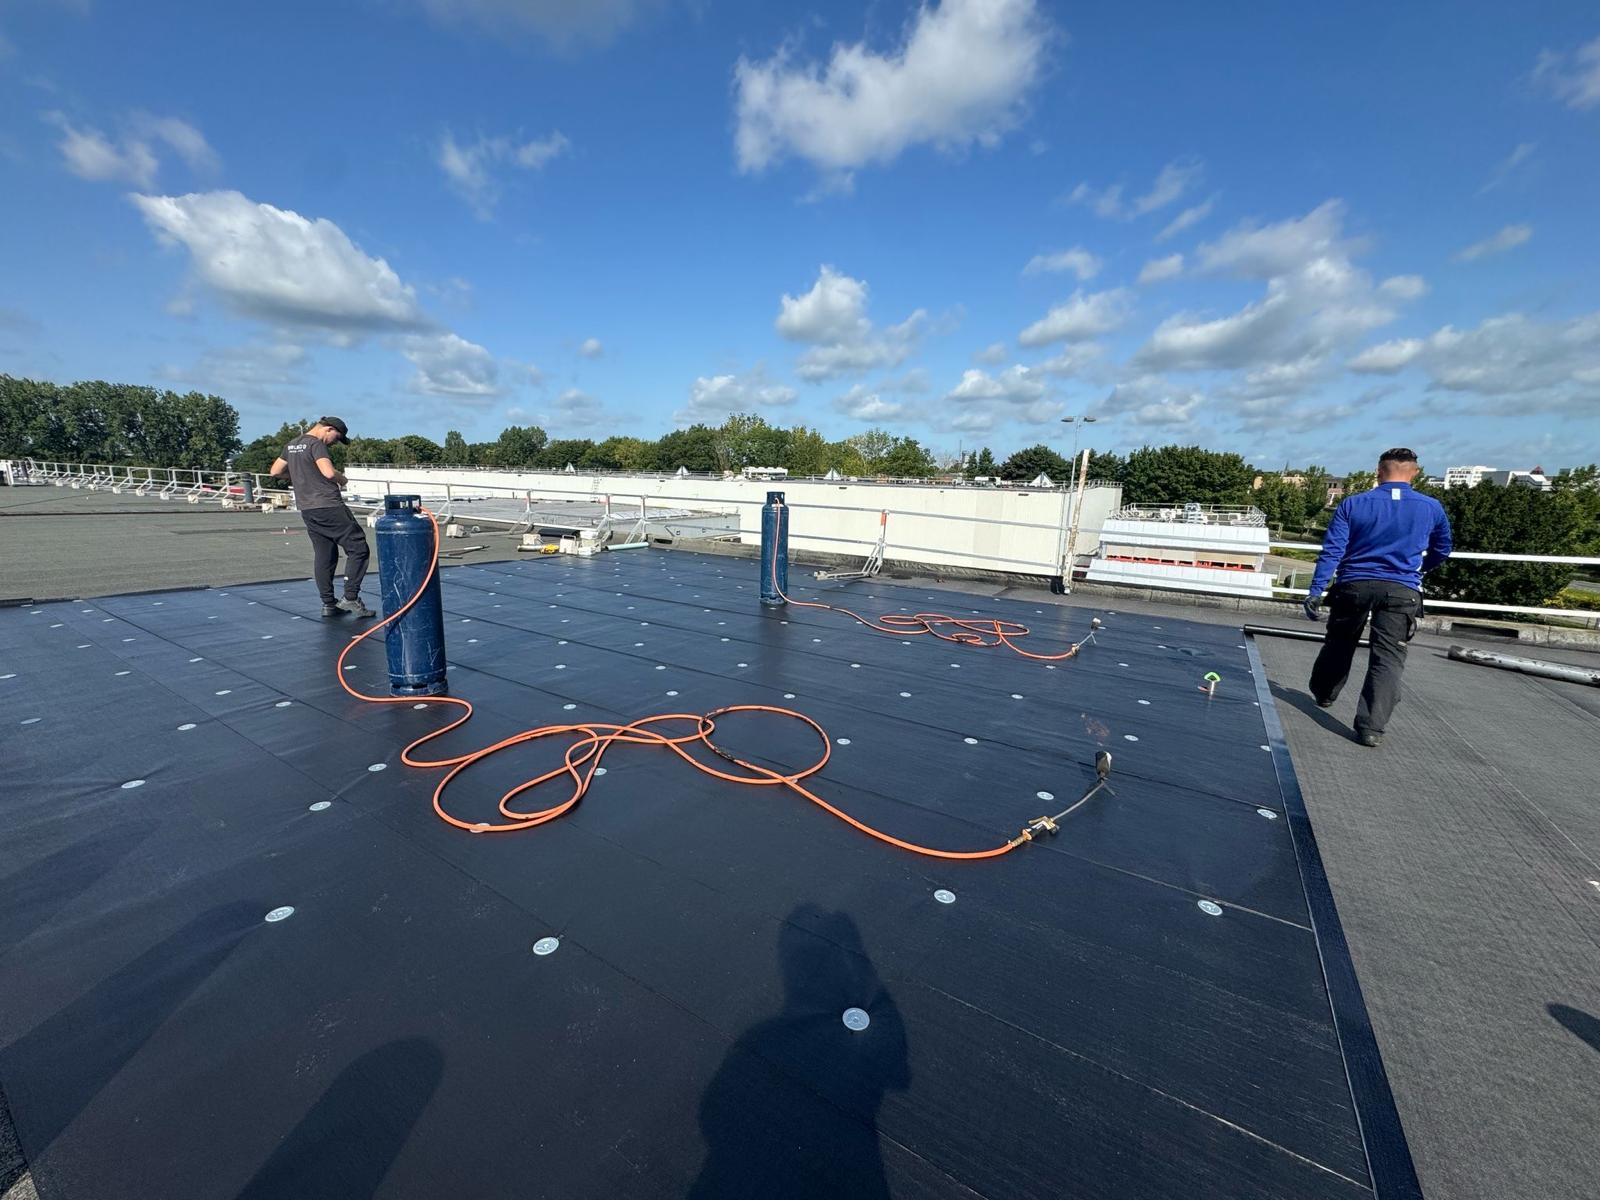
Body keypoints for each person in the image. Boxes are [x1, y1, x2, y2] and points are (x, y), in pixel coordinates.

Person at [1304, 447, 1452, 747]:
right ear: (1415, 473)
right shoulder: (1431, 507)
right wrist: (1420, 569)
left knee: (1339, 642)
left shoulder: (1354, 504)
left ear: (1378, 471)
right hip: (1401, 590)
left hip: (1354, 585)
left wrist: (1316, 590)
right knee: (1388, 659)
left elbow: (1333, 550)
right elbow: (1442, 548)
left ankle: (1324, 692)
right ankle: (1371, 727)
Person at [270, 417, 375, 618]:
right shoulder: (316, 444)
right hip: (328, 504)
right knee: (358, 548)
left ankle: (328, 603)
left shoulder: (291, 445)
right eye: (337, 437)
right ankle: (350, 597)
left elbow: (275, 471)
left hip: (307, 508)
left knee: (325, 553)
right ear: (328, 429)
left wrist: (301, 475)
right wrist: (342, 479)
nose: (335, 443)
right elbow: (328, 473)